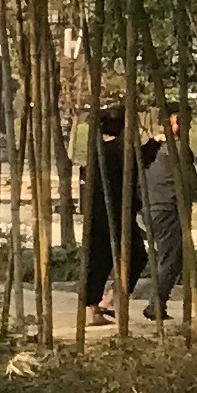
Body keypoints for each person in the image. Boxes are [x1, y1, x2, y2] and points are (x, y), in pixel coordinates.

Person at [136, 105, 197, 319]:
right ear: (169, 122)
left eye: (188, 120)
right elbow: (191, 181)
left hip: (150, 207)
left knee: (165, 256)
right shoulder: (176, 149)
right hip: (166, 209)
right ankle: (156, 303)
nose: (187, 125)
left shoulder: (152, 147)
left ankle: (157, 302)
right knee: (172, 258)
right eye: (180, 121)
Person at [78, 102, 131, 323]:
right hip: (115, 213)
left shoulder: (97, 149)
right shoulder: (117, 151)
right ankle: (104, 302)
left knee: (100, 258)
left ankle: (97, 304)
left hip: (97, 212)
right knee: (132, 255)